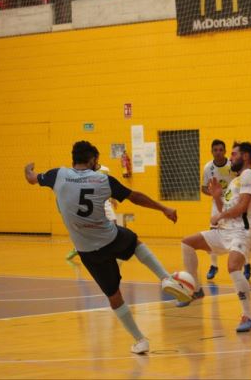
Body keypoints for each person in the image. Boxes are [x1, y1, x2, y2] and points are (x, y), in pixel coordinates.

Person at [24, 140, 189, 354]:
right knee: (134, 241)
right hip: (110, 237)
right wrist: (163, 208)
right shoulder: (103, 179)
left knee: (114, 296)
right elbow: (135, 197)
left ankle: (140, 340)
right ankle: (165, 277)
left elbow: (31, 178)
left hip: (87, 251)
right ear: (92, 159)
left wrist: (28, 168)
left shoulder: (57, 175)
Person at [179, 142, 251, 332]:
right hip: (225, 231)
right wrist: (216, 196)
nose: (230, 158)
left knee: (232, 267)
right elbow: (226, 207)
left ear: (245, 156)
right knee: (187, 243)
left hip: (242, 231)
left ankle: (248, 316)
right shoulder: (234, 182)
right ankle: (196, 290)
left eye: (233, 154)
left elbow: (242, 207)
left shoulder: (249, 175)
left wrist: (219, 216)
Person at [201, 140, 251, 281]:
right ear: (212, 152)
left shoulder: (233, 164)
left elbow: (241, 179)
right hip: (217, 202)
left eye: (221, 150)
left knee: (241, 233)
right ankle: (213, 266)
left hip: (233, 201)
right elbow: (203, 187)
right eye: (215, 150)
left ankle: (247, 264)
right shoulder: (208, 168)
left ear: (224, 151)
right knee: (212, 233)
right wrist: (214, 194)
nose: (218, 152)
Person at [66, 163, 118, 261]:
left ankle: (113, 250)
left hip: (104, 201)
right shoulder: (82, 170)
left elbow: (109, 185)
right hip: (92, 203)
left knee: (114, 224)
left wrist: (113, 197)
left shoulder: (105, 169)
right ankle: (77, 248)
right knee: (88, 228)